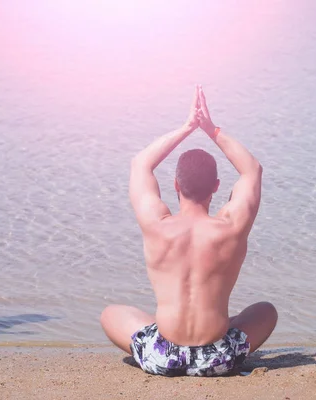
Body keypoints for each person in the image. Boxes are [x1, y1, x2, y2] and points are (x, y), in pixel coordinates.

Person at [100, 86, 277, 376]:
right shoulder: (231, 227)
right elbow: (252, 170)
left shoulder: (157, 225)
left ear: (176, 186)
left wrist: (186, 128)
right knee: (266, 311)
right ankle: (214, 327)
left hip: (162, 357)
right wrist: (210, 128)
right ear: (217, 187)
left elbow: (140, 163)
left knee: (111, 314)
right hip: (219, 359)